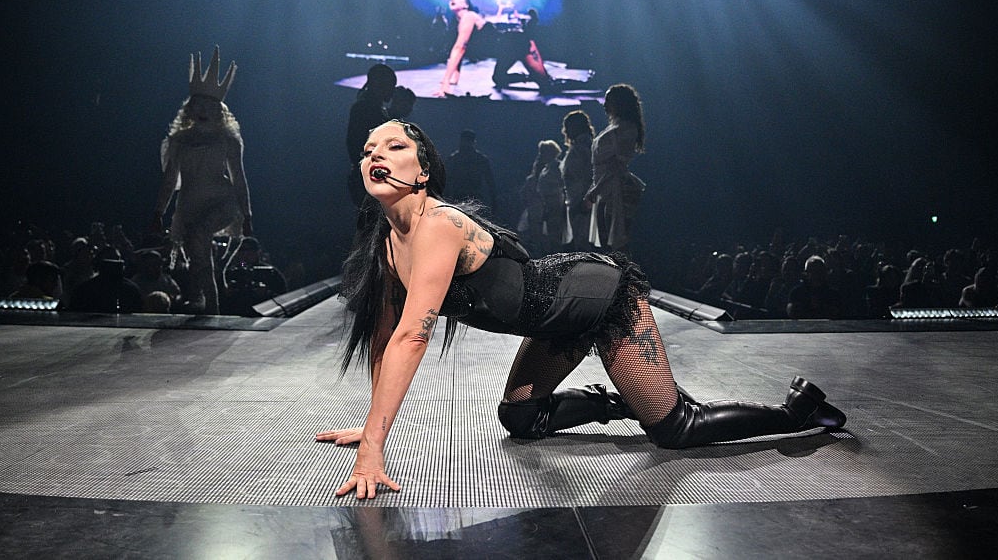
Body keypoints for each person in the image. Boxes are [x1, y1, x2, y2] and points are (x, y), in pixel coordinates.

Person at [316, 119, 846, 500]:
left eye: (392, 145)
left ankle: (796, 412)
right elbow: (386, 339)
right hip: (552, 319)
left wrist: (376, 450)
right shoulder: (386, 242)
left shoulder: (438, 225)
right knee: (520, 417)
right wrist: (370, 428)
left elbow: (414, 336)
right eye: (367, 149)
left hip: (598, 294)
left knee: (675, 430)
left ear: (424, 169)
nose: (374, 155)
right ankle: (621, 401)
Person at [153, 46, 253, 314]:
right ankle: (204, 303)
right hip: (189, 205)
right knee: (198, 255)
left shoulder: (228, 140)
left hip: (222, 202)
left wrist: (247, 213)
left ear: (218, 109)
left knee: (200, 236)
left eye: (209, 105)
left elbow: (238, 177)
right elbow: (169, 180)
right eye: (198, 105)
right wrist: (159, 211)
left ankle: (212, 306)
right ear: (190, 108)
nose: (202, 110)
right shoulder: (179, 142)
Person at [436, 0, 551, 97]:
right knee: (499, 79)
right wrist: (455, 77)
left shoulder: (469, 16)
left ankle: (556, 82)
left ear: (466, 5)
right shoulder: (460, 22)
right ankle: (530, 77)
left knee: (546, 85)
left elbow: (460, 47)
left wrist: (445, 83)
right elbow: (460, 50)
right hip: (505, 50)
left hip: (515, 43)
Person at [585, 84, 646, 251]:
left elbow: (616, 165)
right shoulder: (616, 127)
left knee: (615, 244)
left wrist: (596, 189)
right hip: (605, 188)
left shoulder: (625, 129)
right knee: (606, 243)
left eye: (608, 101)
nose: (605, 105)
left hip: (616, 190)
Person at [345, 64, 397, 208]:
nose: (393, 91)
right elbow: (355, 144)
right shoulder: (365, 109)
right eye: (391, 85)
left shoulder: (375, 109)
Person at [560, 110, 594, 251]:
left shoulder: (582, 148)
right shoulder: (583, 146)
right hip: (578, 201)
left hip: (582, 203)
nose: (565, 131)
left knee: (584, 245)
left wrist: (585, 200)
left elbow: (590, 175)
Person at [444, 129, 498, 214]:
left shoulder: (454, 159)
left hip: (464, 196)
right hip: (467, 196)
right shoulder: (480, 159)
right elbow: (490, 182)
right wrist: (494, 200)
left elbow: (446, 180)